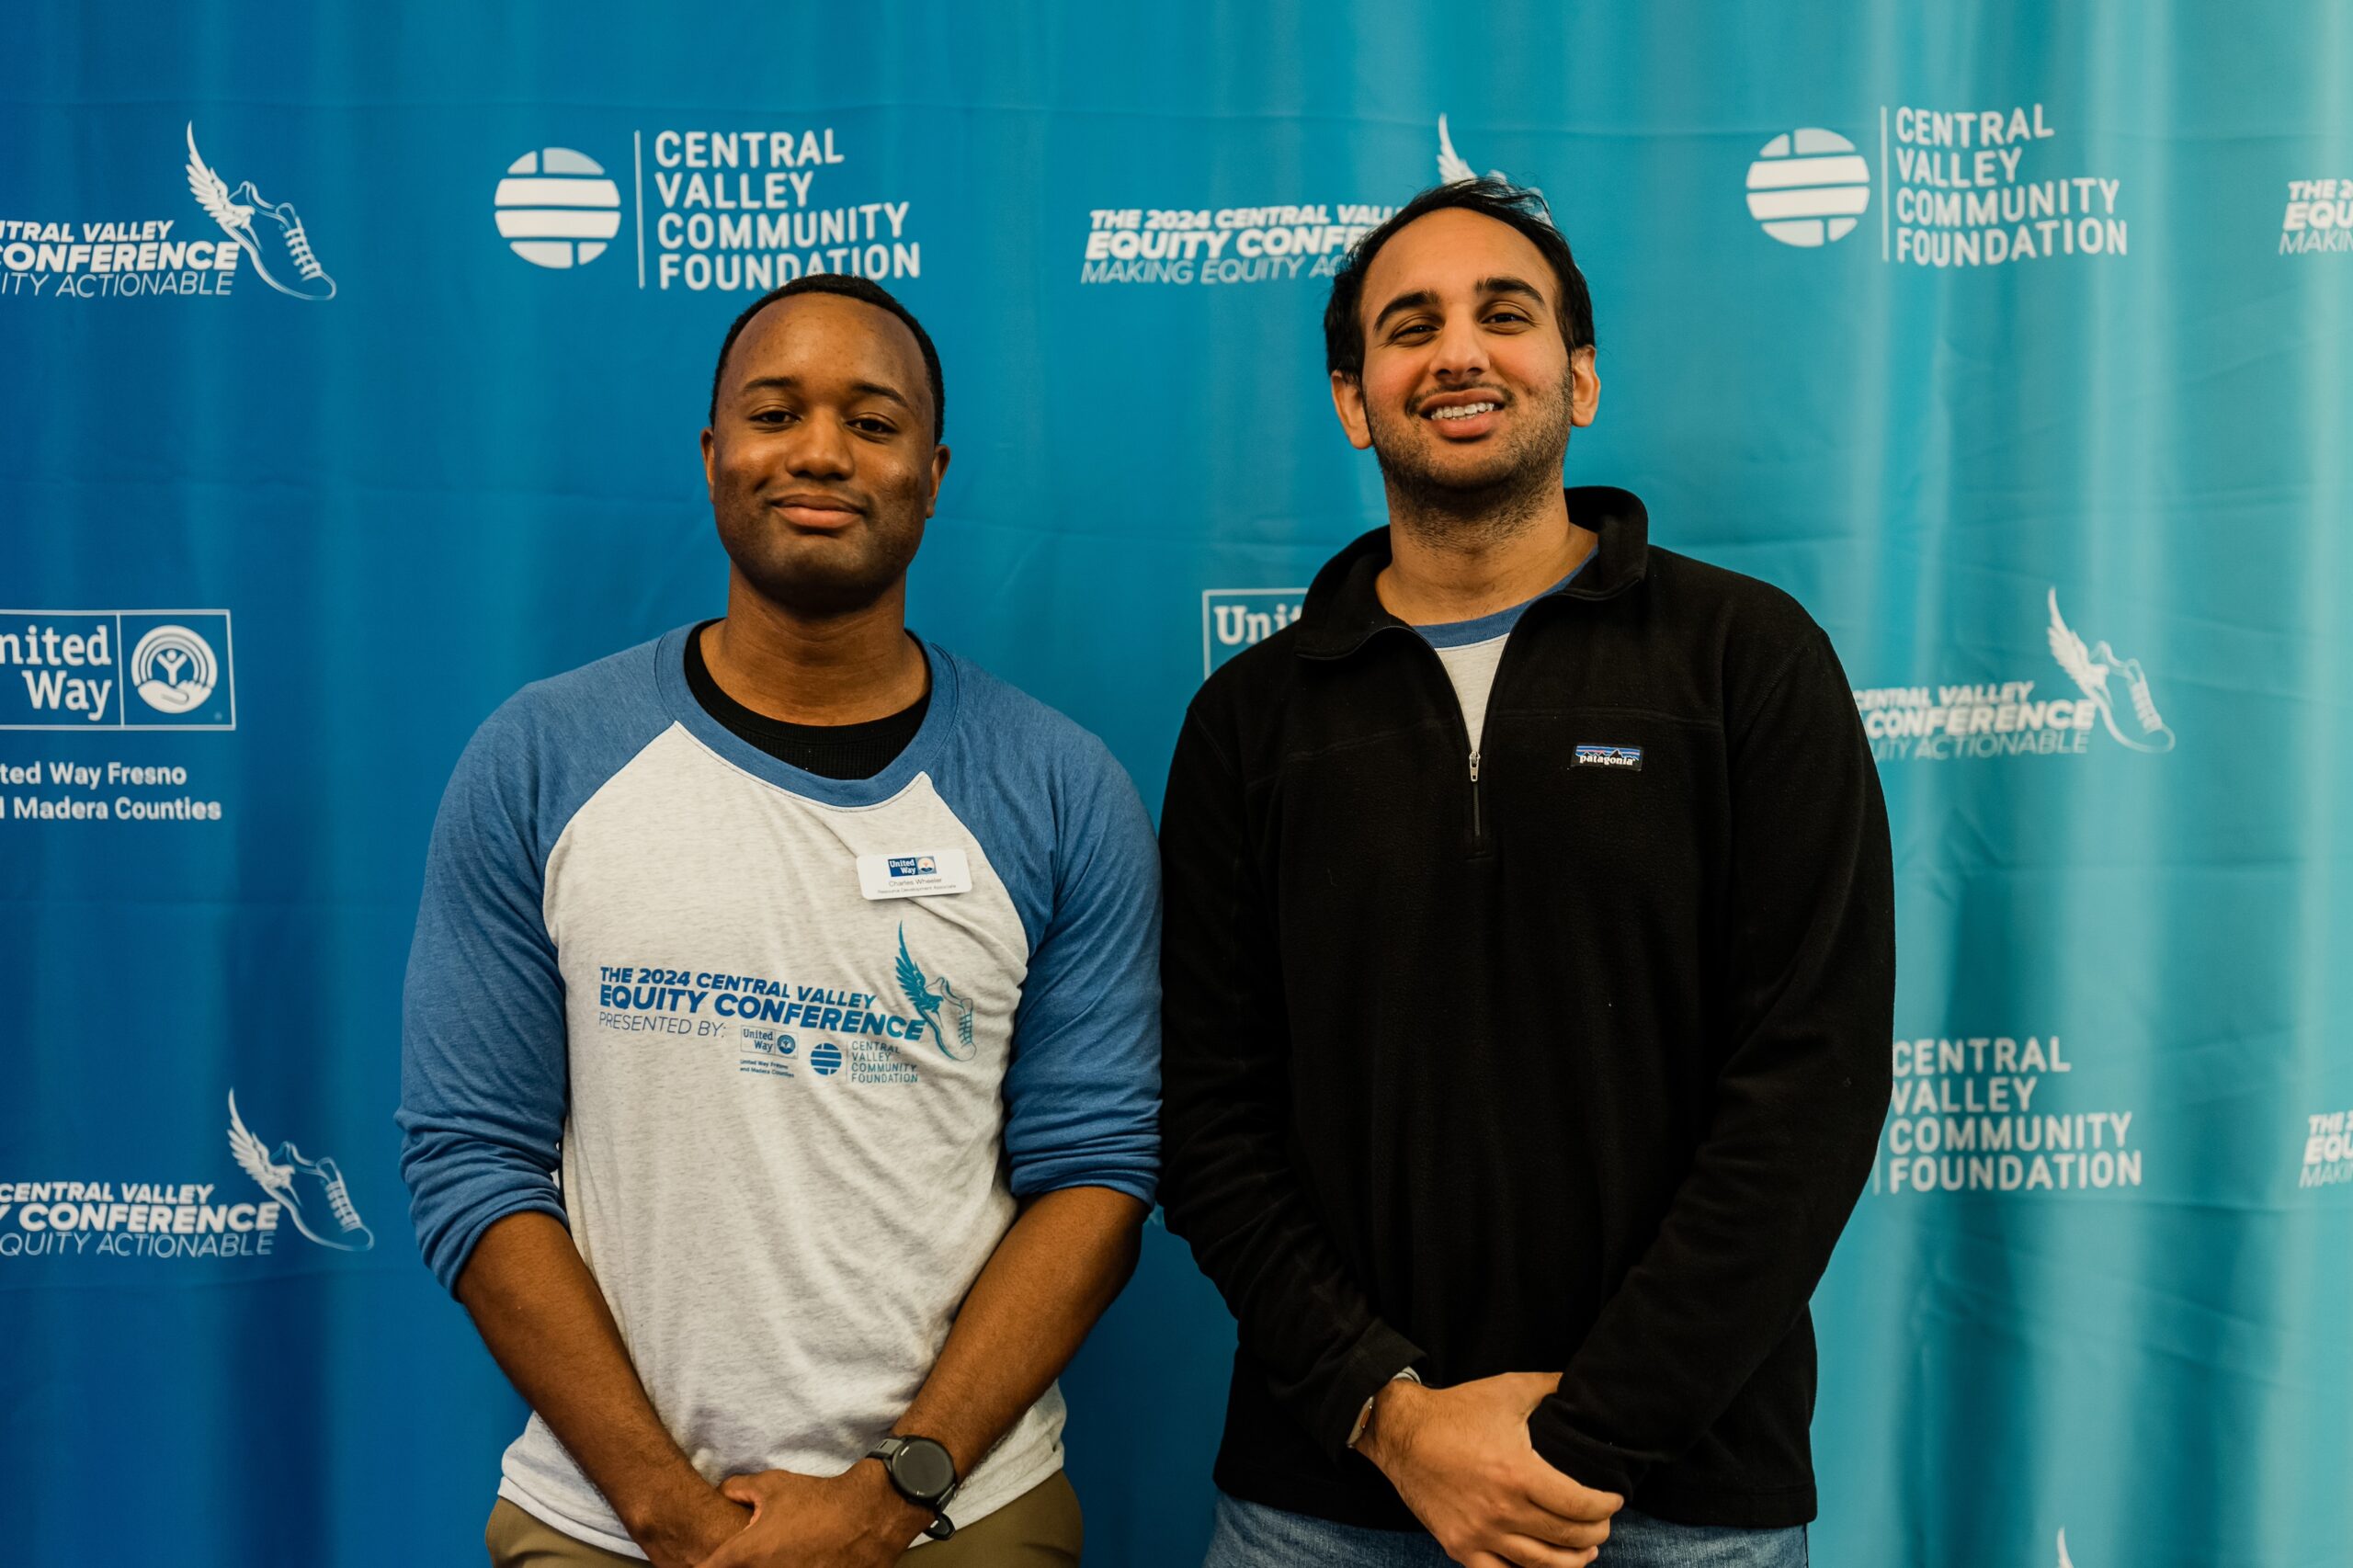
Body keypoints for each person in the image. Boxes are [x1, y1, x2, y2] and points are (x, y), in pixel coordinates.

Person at [1159, 179, 1894, 1568]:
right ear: (1352, 399)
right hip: (1325, 1497)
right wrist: (1394, 1419)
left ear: (1584, 376)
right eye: (1409, 325)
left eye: (1507, 314)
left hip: (1675, 1501)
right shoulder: (1253, 721)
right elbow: (1209, 1118)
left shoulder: (1746, 663)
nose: (1459, 352)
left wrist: (1579, 1442)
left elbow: (1812, 1089)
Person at [398, 275, 1161, 1568]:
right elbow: (472, 1159)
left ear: (931, 468)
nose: (819, 450)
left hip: (960, 1514)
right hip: (606, 1523)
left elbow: (1096, 1175)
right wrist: (668, 1513)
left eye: (872, 421)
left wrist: (892, 1492)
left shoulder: (1058, 784)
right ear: (714, 456)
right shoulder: (540, 758)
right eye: (775, 412)